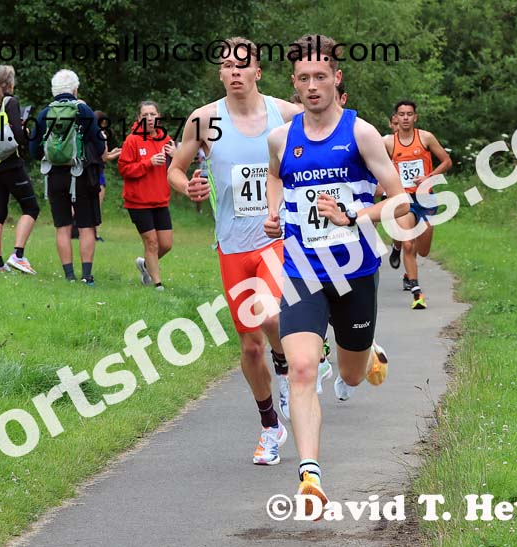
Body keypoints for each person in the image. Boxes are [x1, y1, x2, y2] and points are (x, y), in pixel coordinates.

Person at [264, 34, 411, 512]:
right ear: (294, 82)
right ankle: (310, 477)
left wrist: (353, 215)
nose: (312, 85)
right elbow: (275, 177)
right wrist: (274, 212)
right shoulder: (281, 137)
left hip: (354, 270)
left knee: (349, 372)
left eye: (320, 77)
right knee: (303, 368)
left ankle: (365, 355)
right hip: (303, 269)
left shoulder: (362, 133)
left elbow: (401, 200)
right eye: (303, 78)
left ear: (337, 78)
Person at [168, 37, 305, 466]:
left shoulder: (285, 114)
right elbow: (175, 168)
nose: (234, 72)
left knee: (269, 315)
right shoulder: (205, 120)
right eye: (226, 65)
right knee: (249, 348)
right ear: (221, 74)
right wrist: (186, 185)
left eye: (242, 66)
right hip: (231, 246)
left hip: (276, 238)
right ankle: (270, 427)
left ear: (257, 73)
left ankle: (288, 371)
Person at [30, 69, 105, 285]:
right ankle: (87, 276)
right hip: (81, 174)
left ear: (53, 90)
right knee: (86, 226)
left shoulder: (44, 113)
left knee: (62, 226)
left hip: (54, 176)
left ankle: (69, 276)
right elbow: (99, 144)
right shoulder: (84, 110)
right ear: (75, 89)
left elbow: (34, 149)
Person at [383, 100, 451, 309]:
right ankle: (416, 291)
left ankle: (402, 258)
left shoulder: (425, 137)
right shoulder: (388, 143)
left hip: (425, 197)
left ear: (415, 117)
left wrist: (429, 177)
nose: (405, 118)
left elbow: (447, 161)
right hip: (403, 199)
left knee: (423, 250)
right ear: (396, 117)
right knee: (408, 243)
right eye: (401, 114)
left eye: (409, 114)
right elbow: (377, 166)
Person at [0, 65, 40, 273]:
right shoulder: (10, 102)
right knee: (31, 208)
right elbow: (19, 136)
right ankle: (18, 255)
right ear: (11, 83)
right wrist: (26, 131)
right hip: (11, 164)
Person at [118, 100, 175, 290]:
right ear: (139, 118)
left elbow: (177, 169)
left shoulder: (166, 140)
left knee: (165, 244)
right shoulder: (132, 140)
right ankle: (157, 284)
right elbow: (124, 169)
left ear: (158, 117)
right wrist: (148, 162)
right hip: (138, 202)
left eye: (153, 115)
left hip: (160, 200)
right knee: (151, 242)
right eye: (145, 116)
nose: (149, 119)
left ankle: (145, 264)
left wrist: (177, 155)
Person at [93, 110, 121, 242]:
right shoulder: (101, 134)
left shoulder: (87, 133)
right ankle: (96, 233)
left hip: (87, 171)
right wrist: (117, 154)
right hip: (98, 173)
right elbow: (104, 157)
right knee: (97, 204)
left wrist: (112, 152)